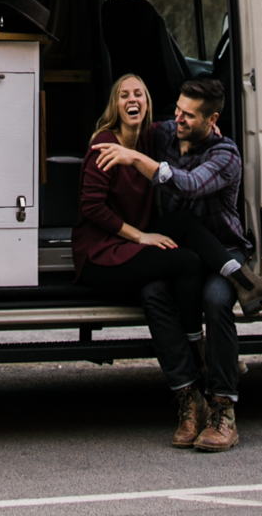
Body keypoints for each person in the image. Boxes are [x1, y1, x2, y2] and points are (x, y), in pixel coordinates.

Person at [94, 76, 262, 452]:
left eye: (188, 115)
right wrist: (112, 134)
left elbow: (187, 184)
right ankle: (190, 399)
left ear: (211, 119)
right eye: (178, 110)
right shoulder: (168, 134)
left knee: (217, 301)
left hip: (222, 249)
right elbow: (138, 122)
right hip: (179, 249)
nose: (178, 119)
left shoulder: (226, 155)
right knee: (153, 293)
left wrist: (136, 157)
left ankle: (224, 409)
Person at [72, 73, 215, 449]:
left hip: (132, 251)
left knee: (155, 292)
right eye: (124, 95)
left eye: (139, 93)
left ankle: (190, 398)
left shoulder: (153, 138)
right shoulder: (104, 145)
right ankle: (199, 354)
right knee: (185, 263)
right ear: (115, 105)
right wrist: (141, 236)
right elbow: (91, 207)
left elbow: (192, 121)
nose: (132, 99)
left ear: (148, 103)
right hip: (100, 254)